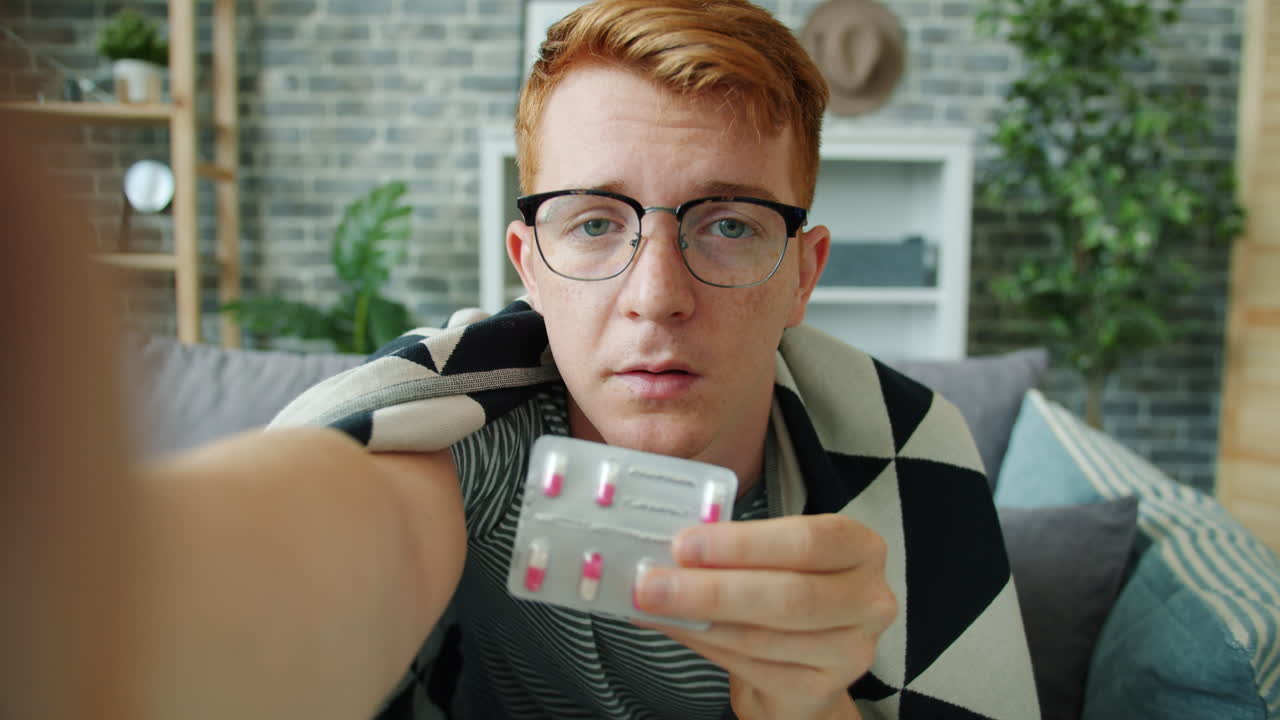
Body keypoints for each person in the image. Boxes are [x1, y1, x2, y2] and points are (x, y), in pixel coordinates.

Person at [1, 1, 1037, 718]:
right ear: (526, 267)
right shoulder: (470, 431)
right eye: (593, 224)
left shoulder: (906, 457)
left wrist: (807, 706)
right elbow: (327, 543)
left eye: (726, 225)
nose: (655, 294)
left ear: (800, 275)